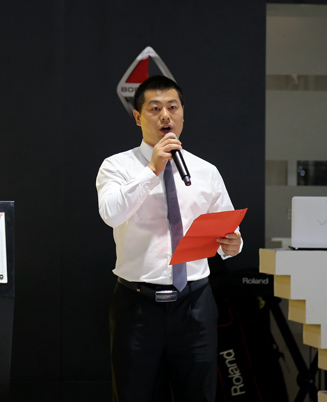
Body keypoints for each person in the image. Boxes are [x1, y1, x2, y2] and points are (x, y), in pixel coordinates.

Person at [96, 75, 243, 402]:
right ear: (138, 117)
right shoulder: (116, 166)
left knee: (199, 394)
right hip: (137, 305)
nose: (165, 115)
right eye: (155, 108)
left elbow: (227, 227)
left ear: (182, 114)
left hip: (194, 303)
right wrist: (152, 169)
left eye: (172, 107)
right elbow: (111, 214)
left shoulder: (205, 171)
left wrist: (234, 244)